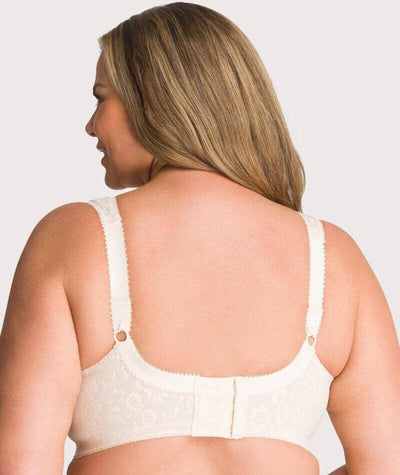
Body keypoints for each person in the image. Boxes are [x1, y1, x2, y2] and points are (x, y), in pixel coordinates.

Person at [1, 3, 399, 474]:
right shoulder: (336, 258)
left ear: (155, 99)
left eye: (100, 98)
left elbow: (20, 463)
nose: (91, 125)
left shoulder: (73, 239)